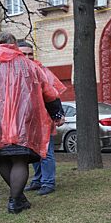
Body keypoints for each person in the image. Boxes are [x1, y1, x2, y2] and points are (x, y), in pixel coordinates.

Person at [0, 32, 64, 214]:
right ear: (14, 44)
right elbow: (49, 93)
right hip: (22, 123)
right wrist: (56, 114)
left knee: (1, 158)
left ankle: (18, 198)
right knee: (19, 159)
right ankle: (15, 200)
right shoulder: (29, 66)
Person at [17, 40, 66, 196]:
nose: (27, 57)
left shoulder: (41, 70)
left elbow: (53, 95)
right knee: (32, 152)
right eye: (23, 53)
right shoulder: (14, 72)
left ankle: (48, 182)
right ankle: (38, 180)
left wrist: (58, 115)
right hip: (27, 122)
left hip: (44, 120)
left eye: (30, 54)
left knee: (46, 152)